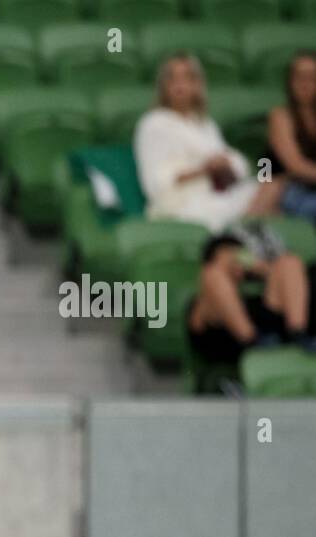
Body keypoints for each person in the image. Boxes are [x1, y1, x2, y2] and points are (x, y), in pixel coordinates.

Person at [134, 54, 274, 233]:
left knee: (272, 187)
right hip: (182, 204)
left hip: (220, 194)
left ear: (198, 84)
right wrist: (203, 169)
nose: (180, 85)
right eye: (173, 78)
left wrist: (224, 163)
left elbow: (235, 161)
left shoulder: (205, 124)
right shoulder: (153, 123)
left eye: (188, 78)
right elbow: (155, 184)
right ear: (164, 85)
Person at [189, 229, 314, 379]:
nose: (237, 258)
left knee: (289, 262)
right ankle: (254, 342)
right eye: (231, 253)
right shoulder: (206, 286)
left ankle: (298, 334)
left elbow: (285, 276)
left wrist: (261, 268)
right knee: (214, 274)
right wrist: (228, 263)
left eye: (240, 253)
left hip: (271, 337)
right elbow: (213, 276)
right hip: (230, 343)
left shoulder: (252, 298)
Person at [267, 51, 316, 223]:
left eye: (311, 78)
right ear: (290, 81)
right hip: (286, 188)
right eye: (300, 77)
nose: (305, 84)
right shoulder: (280, 116)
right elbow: (295, 165)